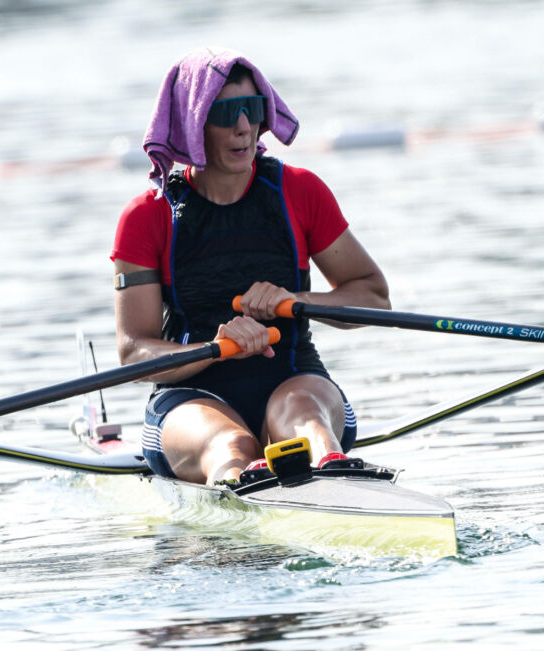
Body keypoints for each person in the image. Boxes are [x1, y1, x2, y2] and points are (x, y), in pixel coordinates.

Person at [111, 47, 390, 485]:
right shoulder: (147, 216)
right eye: (225, 113)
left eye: (253, 108)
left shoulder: (301, 191)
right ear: (193, 123)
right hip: (189, 396)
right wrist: (216, 346)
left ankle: (332, 472)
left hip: (296, 379)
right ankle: (238, 483)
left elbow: (374, 297)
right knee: (232, 445)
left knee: (303, 420)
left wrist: (297, 299)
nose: (244, 126)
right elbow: (134, 353)